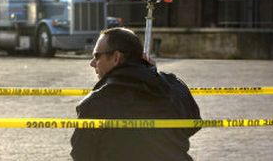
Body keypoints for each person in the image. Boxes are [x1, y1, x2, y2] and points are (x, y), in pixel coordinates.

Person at [70, 27, 201, 161]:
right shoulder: (174, 86)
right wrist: (151, 73)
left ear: (116, 57)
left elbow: (81, 155)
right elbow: (193, 126)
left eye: (97, 56)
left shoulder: (94, 104)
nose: (92, 63)